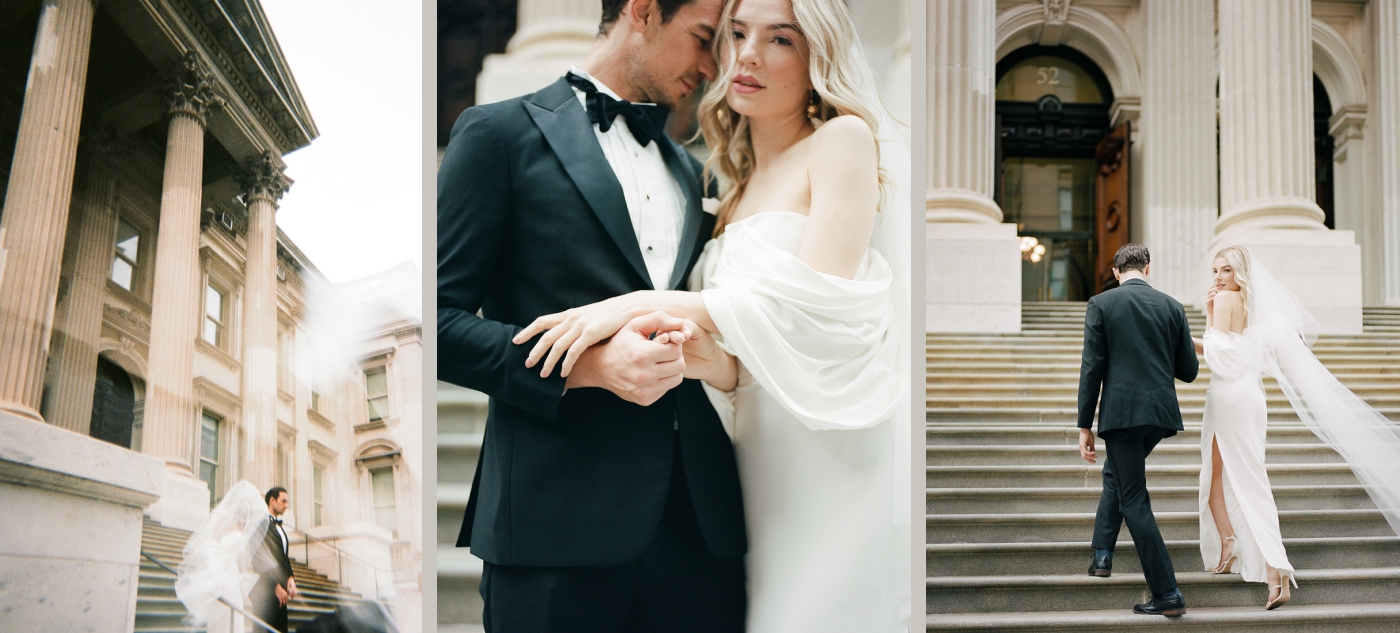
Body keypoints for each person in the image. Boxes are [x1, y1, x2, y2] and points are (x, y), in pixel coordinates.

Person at [512, 0, 911, 629]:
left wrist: (640, 303)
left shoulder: (842, 140)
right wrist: (703, 359)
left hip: (827, 456)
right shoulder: (732, 183)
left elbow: (820, 312)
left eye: (780, 38)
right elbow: (751, 360)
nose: (747, 55)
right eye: (736, 33)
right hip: (749, 463)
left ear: (818, 57)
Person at [437, 0, 750, 630]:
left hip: (698, 535)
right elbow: (439, 325)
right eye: (701, 39)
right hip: (551, 530)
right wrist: (588, 366)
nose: (713, 67)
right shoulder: (496, 134)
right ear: (641, 11)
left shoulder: (692, 173)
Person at [1189, 244, 1400, 610]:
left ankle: (1276, 569)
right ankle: (1229, 541)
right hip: (1249, 396)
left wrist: (1206, 319)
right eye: (1215, 271)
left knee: (1242, 482)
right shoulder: (1254, 308)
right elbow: (1234, 352)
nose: (1219, 278)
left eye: (1225, 270)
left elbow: (1220, 357)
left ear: (1239, 273)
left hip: (1229, 397)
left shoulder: (1223, 302)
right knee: (1218, 472)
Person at [1076, 243, 1198, 617]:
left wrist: (1085, 424)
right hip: (1159, 416)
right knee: (1118, 474)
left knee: (1134, 500)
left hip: (1122, 415)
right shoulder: (1173, 306)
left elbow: (1091, 367)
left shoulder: (1101, 304)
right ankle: (1102, 553)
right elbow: (1189, 370)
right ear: (1148, 267)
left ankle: (1167, 593)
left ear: (1116, 272)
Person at [176, 481, 268, 633]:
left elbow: (236, 560)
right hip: (221, 579)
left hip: (232, 581)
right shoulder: (223, 515)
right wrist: (216, 576)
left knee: (235, 622)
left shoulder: (242, 524)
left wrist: (242, 588)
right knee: (222, 625)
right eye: (246, 503)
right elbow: (211, 545)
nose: (247, 507)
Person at [250, 486, 297, 632]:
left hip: (281, 592)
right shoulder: (261, 524)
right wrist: (275, 586)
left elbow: (284, 557)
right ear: (272, 501)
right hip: (266, 590)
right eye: (283, 501)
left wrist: (290, 578)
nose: (287, 505)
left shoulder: (280, 528)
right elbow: (258, 558)